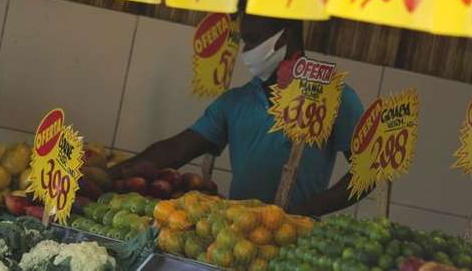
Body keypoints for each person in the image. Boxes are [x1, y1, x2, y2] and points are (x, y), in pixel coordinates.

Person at [110, 13, 369, 217]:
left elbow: (367, 173)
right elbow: (175, 150)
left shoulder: (336, 98)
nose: (247, 51)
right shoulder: (234, 103)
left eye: (255, 40)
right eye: (245, 41)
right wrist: (113, 176)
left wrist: (305, 211)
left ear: (287, 35)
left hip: (298, 245)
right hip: (235, 241)